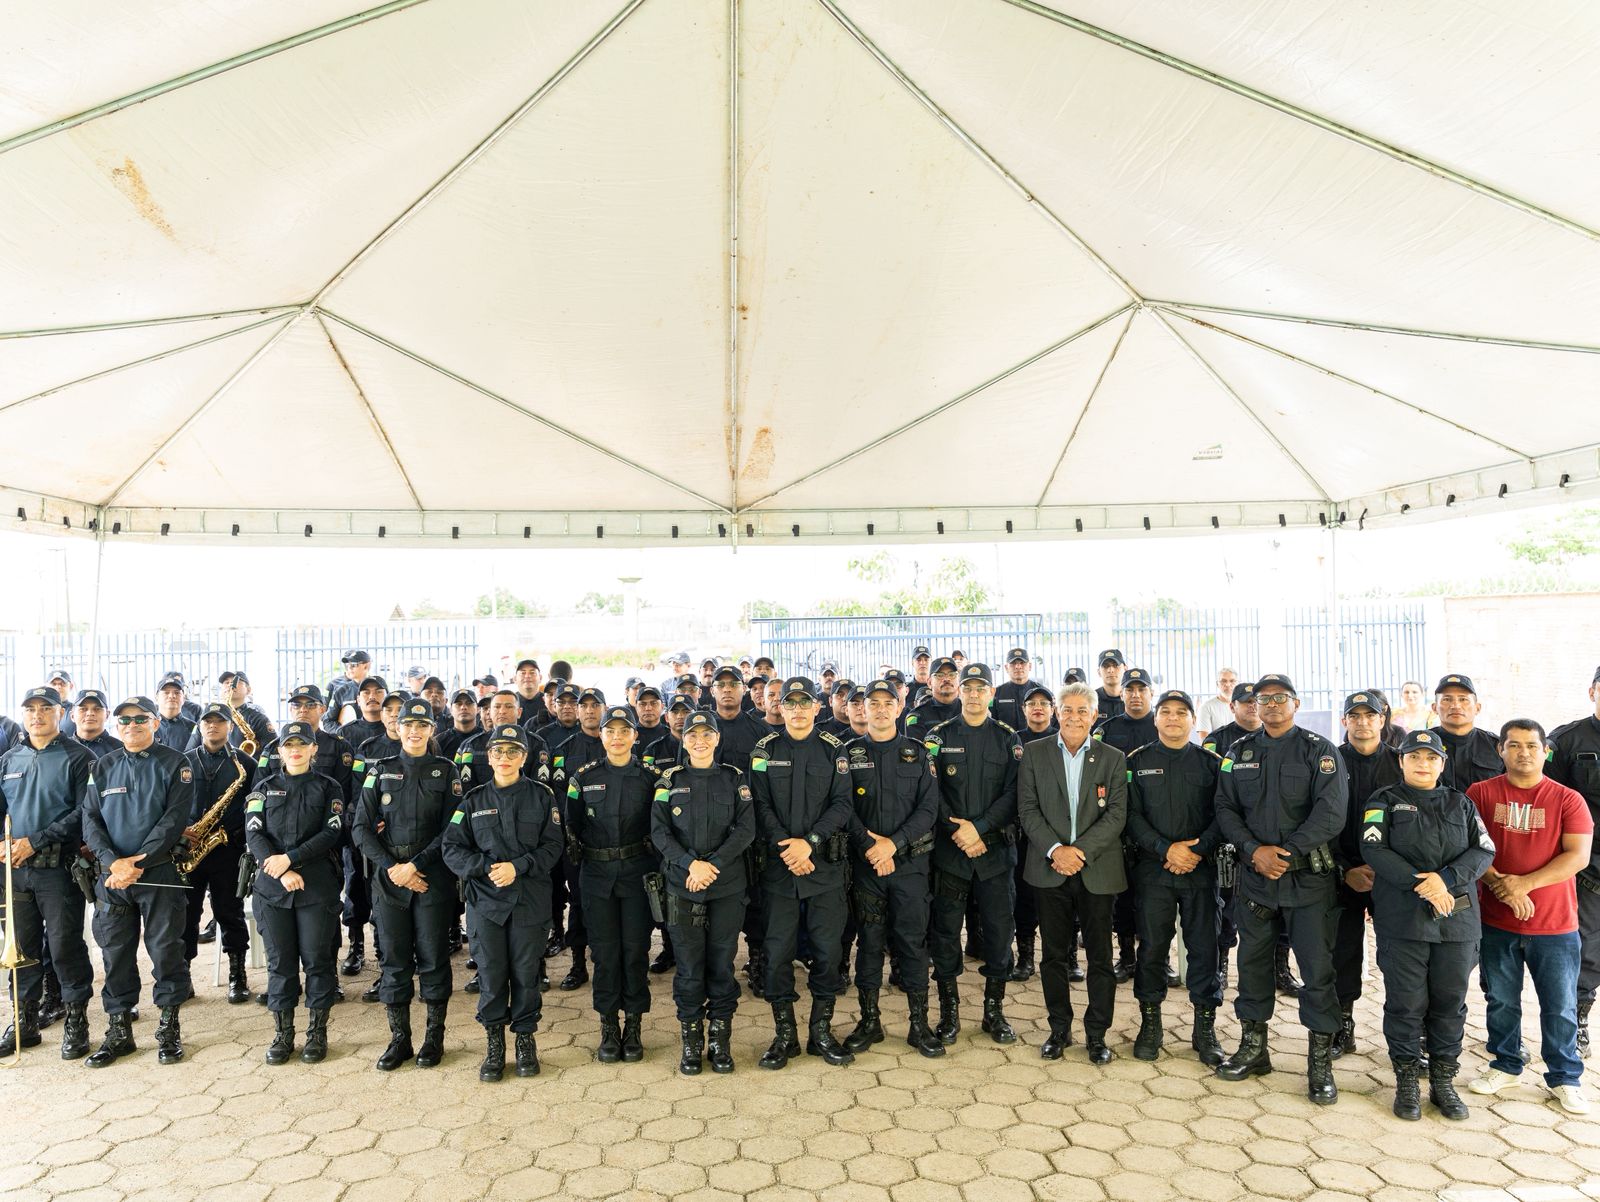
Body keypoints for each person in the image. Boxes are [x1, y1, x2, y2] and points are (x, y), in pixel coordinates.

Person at [1213, 674, 1347, 1105]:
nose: (1270, 705)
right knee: (1251, 965)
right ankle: (1254, 1050)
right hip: (1255, 879)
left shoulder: (1319, 751)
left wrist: (1284, 853)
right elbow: (1225, 808)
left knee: (1316, 971)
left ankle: (1320, 1065)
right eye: (1262, 699)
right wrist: (1254, 852)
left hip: (1307, 880)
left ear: (1296, 702)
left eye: (1279, 698)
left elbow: (1331, 814)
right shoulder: (1239, 753)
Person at [1360, 729, 1494, 1120]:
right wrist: (1425, 884)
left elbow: (1484, 850)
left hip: (1457, 921)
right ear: (1401, 762)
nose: (1423, 764)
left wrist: (1445, 879)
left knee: (1450, 1003)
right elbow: (1374, 848)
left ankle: (1443, 1083)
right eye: (1414, 757)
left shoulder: (1461, 803)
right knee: (1406, 1003)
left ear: (1442, 763)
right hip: (1403, 919)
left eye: (1431, 758)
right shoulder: (1383, 802)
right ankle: (1405, 1083)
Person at [1467, 719, 1594, 1115]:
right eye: (1514, 745)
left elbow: (1577, 856)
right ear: (1500, 750)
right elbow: (1468, 845)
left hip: (1555, 924)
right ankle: (1505, 1064)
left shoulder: (1567, 799)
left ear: (1546, 752)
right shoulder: (1480, 794)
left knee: (1559, 1005)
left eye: (1532, 746)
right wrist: (1501, 885)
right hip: (1496, 921)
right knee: (1502, 1001)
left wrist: (1524, 885)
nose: (1524, 752)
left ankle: (1565, 1077)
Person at [443, 723, 564, 1081]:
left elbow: (554, 846)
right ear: (489, 757)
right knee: (492, 975)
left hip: (529, 900)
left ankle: (525, 1042)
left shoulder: (542, 797)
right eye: (498, 752)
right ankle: (494, 1045)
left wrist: (518, 867)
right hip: (486, 904)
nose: (505, 758)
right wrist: (484, 868)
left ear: (524, 757)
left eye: (513, 752)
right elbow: (452, 848)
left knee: (526, 975)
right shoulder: (473, 799)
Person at [79, 696, 195, 1067]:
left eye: (140, 719)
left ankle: (168, 1028)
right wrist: (113, 863)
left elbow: (174, 819)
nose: (132, 725)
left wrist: (136, 863)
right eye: (124, 720)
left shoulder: (177, 763)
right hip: (113, 879)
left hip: (158, 875)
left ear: (155, 722)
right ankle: (119, 1031)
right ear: (117, 726)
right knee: (114, 954)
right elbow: (90, 819)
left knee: (165, 951)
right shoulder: (103, 766)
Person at [350, 699, 462, 1072]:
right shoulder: (379, 771)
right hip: (388, 878)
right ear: (397, 727)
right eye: (407, 724)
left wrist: (414, 865)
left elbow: (452, 830)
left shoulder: (446, 771)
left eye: (422, 725)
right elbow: (361, 828)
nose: (414, 730)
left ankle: (434, 1038)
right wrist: (394, 868)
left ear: (432, 729)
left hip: (432, 877)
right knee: (394, 961)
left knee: (433, 959)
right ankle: (400, 1039)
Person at [1018, 681, 1127, 1063]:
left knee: (1099, 957)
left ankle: (1097, 1034)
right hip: (1049, 869)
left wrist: (1078, 852)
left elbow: (1116, 814)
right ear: (1056, 714)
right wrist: (1055, 850)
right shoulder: (1033, 753)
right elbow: (1028, 809)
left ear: (1095, 716)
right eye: (1068, 710)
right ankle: (1058, 1029)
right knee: (1053, 956)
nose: (1075, 717)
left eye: (1083, 710)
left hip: (1096, 869)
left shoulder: (1113, 758)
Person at [749, 676, 855, 1069]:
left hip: (823, 867)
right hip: (779, 868)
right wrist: (788, 847)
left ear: (817, 707)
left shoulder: (834, 749)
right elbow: (759, 806)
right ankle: (785, 1035)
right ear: (781, 708)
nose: (795, 710)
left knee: (828, 953)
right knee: (777, 955)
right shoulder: (764, 750)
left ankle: (821, 1033)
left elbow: (842, 805)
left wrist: (808, 842)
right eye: (789, 704)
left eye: (803, 703)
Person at [841, 679, 943, 1058]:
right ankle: (870, 1021)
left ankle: (919, 1024)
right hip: (867, 867)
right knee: (868, 943)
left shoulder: (918, 754)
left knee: (912, 943)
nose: (881, 709)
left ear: (899, 709)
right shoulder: (847, 754)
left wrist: (892, 844)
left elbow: (928, 810)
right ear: (862, 709)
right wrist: (872, 847)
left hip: (910, 866)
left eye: (888, 703)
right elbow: (842, 807)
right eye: (873, 703)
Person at [924, 664, 1024, 1046]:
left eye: (982, 688)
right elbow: (931, 792)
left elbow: (1014, 794)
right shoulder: (938, 736)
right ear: (961, 692)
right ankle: (949, 1013)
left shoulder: (1007, 738)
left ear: (991, 693)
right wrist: (959, 831)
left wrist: (978, 828)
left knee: (999, 933)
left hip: (995, 852)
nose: (975, 694)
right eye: (969, 687)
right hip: (951, 853)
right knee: (946, 933)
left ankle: (993, 1013)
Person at [651, 712, 755, 1074]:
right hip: (683, 885)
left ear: (716, 738)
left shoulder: (734, 778)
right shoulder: (669, 780)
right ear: (684, 739)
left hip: (725, 885)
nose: (699, 740)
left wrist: (711, 866)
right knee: (690, 968)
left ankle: (720, 1040)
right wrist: (690, 864)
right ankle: (692, 1040)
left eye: (706, 734)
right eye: (692, 735)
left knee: (722, 965)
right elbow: (660, 832)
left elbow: (745, 830)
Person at [1126, 690, 1225, 1065]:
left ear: (1192, 721)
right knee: (1151, 949)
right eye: (1165, 712)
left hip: (1201, 872)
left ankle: (1204, 1029)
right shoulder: (1137, 762)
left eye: (1181, 712)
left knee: (1204, 950)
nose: (1172, 718)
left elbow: (1224, 815)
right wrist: (1166, 849)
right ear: (1155, 719)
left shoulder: (1211, 763)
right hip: (1154, 871)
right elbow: (1131, 817)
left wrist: (1194, 851)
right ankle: (1150, 1025)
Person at [0, 685, 97, 1061]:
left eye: (45, 708)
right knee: (20, 950)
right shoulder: (9, 759)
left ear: (61, 713)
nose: (37, 715)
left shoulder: (80, 757)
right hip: (15, 872)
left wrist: (35, 841)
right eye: (30, 709)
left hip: (57, 869)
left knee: (64, 946)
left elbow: (83, 813)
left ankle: (76, 1021)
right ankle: (24, 1020)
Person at [245, 720, 343, 1064]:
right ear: (280, 750)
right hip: (272, 887)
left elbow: (331, 833)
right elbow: (254, 834)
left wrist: (291, 859)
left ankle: (317, 1033)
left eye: (303, 744)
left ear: (314, 749)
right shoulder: (262, 789)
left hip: (316, 886)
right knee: (280, 964)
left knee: (318, 962)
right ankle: (283, 1035)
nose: (296, 749)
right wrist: (279, 866)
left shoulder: (329, 788)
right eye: (289, 745)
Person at [566, 707, 659, 1063]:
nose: (617, 737)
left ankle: (633, 1025)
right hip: (597, 875)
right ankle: (608, 1026)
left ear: (635, 736)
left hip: (637, 873)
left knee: (634, 951)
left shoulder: (652, 777)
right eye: (610, 731)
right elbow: (571, 826)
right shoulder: (583, 777)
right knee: (604, 954)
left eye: (625, 730)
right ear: (601, 735)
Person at [1331, 691, 1401, 1059]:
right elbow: (1317, 821)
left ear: (1382, 719)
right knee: (1341, 951)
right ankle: (1343, 1024)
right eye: (1354, 716)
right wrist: (1345, 870)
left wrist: (1385, 867)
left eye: (1369, 715)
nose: (1362, 722)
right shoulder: (1327, 761)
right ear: (1344, 722)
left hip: (1390, 876)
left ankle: (1405, 1031)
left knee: (1398, 954)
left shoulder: (1402, 762)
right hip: (1340, 872)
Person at [182, 703, 256, 1005]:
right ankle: (182, 975)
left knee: (230, 912)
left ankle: (237, 976)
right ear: (200, 726)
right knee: (186, 915)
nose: (213, 726)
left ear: (230, 726)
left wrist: (237, 832)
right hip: (189, 850)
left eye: (220, 721)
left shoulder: (246, 764)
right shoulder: (183, 762)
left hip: (228, 849)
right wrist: (182, 831)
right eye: (207, 721)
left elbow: (255, 805)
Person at [1094, 667, 1158, 984]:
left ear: (1150, 694)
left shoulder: (1162, 726)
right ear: (1122, 694)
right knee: (1123, 896)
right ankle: (1126, 957)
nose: (1135, 695)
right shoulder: (1106, 730)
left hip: (1154, 824)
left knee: (1153, 898)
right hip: (1116, 824)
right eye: (1129, 690)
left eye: (1141, 690)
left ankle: (1154, 958)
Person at [1548, 665, 1600, 1058]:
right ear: (1591, 692)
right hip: (1588, 871)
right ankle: (1576, 1018)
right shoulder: (1566, 740)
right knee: (1585, 952)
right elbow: (1547, 801)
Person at [1011, 683, 1057, 985]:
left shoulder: (1063, 739)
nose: (1037, 707)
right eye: (1031, 704)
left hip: (1059, 832)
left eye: (1044, 702)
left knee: (1060, 898)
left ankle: (1062, 957)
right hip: (1025, 832)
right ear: (1024, 710)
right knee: (1025, 898)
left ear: (1053, 709)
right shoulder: (1014, 741)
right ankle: (1025, 955)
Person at [1429, 675, 1503, 792]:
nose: (1455, 706)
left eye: (1463, 699)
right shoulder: (1422, 744)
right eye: (1447, 699)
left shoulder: (1496, 746)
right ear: (1434, 708)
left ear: (1477, 708)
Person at [905, 657, 960, 734]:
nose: (947, 679)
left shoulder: (969, 710)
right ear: (929, 683)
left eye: (952, 674)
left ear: (959, 680)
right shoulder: (918, 715)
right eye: (940, 675)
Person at [991, 648, 1038, 731]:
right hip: (1005, 742)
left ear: (1030, 666)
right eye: (1013, 663)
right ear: (1006, 667)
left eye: (1022, 663)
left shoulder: (1041, 692)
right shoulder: (995, 694)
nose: (1018, 666)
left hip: (1034, 742)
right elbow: (990, 720)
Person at [324, 650, 372, 732]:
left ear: (366, 666)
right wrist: (343, 734)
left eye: (354, 665)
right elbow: (328, 721)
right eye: (348, 665)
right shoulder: (340, 691)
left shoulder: (380, 688)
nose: (349, 668)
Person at [72, 690, 121, 760]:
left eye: (97, 709)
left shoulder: (120, 750)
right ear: (72, 716)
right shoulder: (61, 749)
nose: (90, 713)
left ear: (107, 715)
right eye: (83, 709)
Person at [153, 675, 197, 752]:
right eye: (166, 693)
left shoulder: (194, 728)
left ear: (183, 698)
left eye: (177, 693)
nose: (172, 696)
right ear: (156, 697)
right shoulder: (147, 726)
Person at [1197, 670, 1239, 740]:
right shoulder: (1206, 707)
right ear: (1217, 684)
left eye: (1232, 681)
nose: (1228, 684)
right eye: (1223, 681)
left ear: (1237, 684)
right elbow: (1204, 739)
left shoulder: (1243, 705)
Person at [1095, 649, 1127, 722]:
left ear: (1125, 668)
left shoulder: (1132, 699)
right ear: (1098, 672)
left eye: (1115, 665)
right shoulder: (1091, 700)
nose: (1110, 670)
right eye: (1105, 666)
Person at [512, 659, 545, 727]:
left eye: (532, 672)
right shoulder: (509, 702)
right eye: (523, 673)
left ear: (540, 678)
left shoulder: (548, 702)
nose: (527, 676)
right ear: (515, 679)